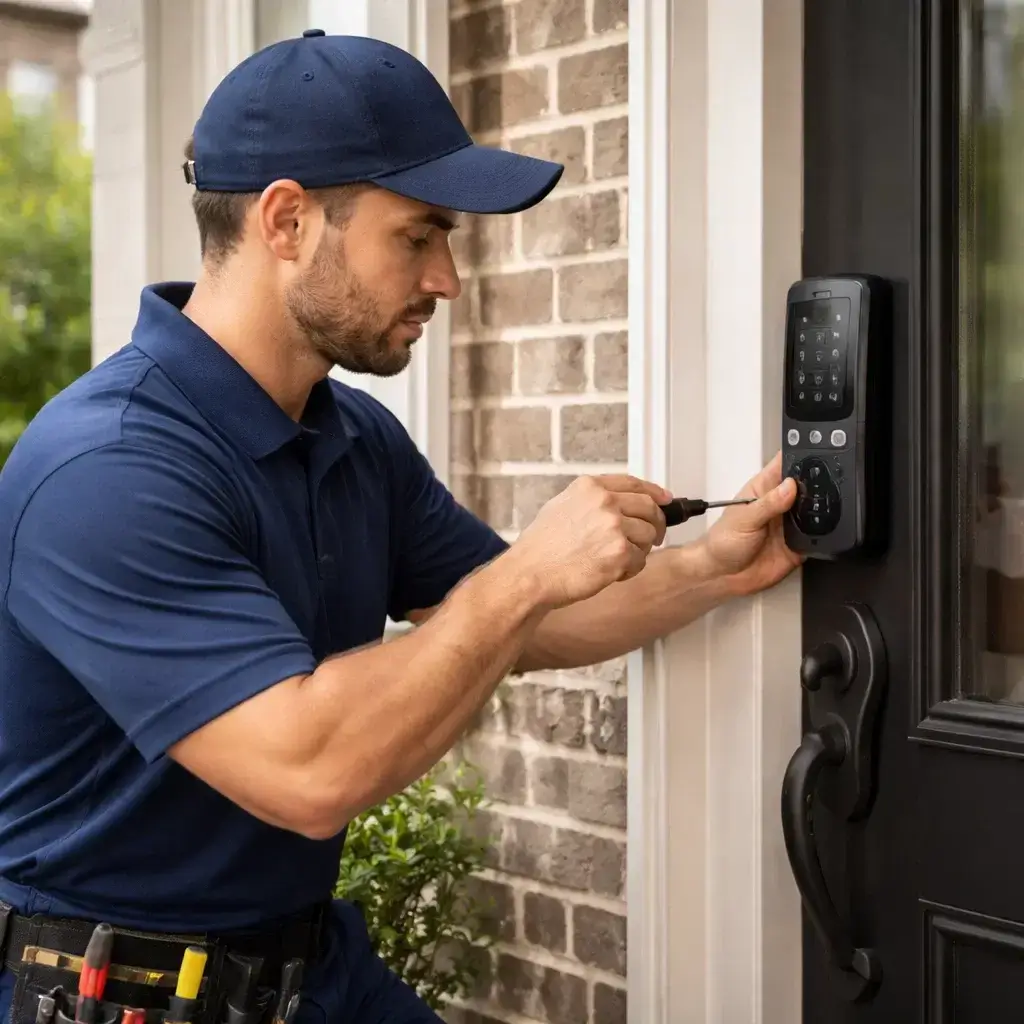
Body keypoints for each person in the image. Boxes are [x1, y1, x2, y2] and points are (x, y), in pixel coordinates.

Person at [0, 29, 801, 1024]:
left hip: (313, 970)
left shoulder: (350, 435)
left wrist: (713, 568)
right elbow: (309, 769)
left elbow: (517, 623)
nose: (446, 281)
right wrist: (525, 578)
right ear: (286, 219)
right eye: (416, 236)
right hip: (120, 992)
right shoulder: (109, 467)